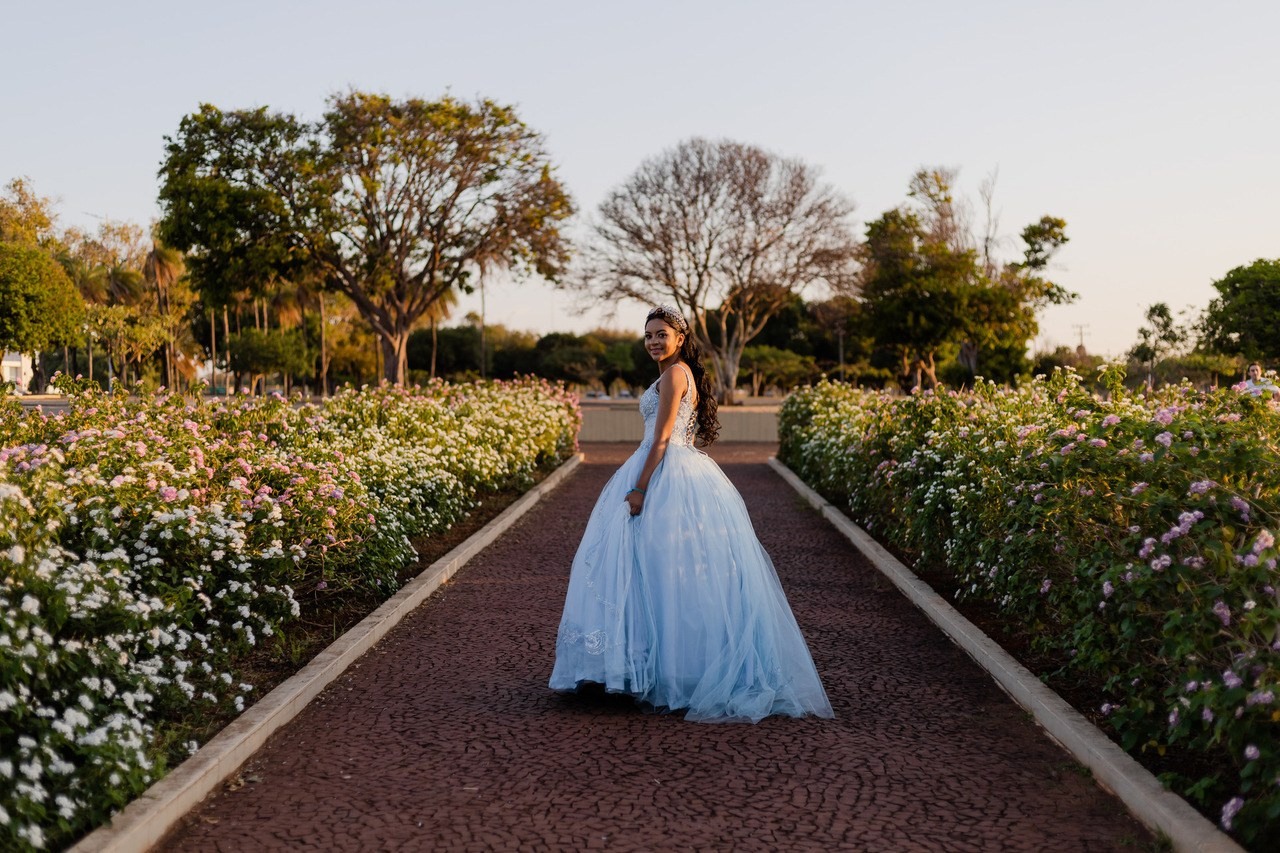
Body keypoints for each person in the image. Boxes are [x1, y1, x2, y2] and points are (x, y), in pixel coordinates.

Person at [549, 305, 833, 723]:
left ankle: (661, 670)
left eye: (661, 334)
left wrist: (639, 488)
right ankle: (653, 667)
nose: (653, 341)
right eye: (648, 335)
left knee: (657, 569)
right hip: (677, 469)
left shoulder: (674, 375)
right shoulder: (678, 373)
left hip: (664, 472)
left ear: (680, 339)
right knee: (663, 572)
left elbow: (662, 438)